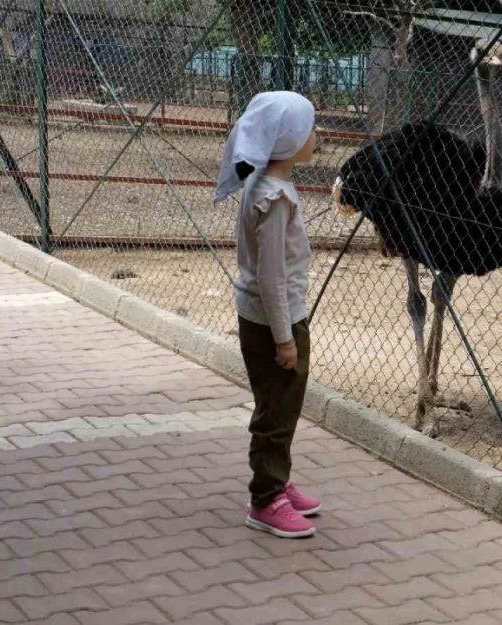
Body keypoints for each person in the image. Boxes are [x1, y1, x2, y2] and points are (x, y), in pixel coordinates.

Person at [213, 91, 322, 538]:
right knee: (276, 409)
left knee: (283, 405)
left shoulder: (264, 183)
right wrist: (284, 339)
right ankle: (266, 499)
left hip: (268, 315)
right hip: (276, 320)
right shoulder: (272, 199)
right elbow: (273, 278)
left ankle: (278, 480)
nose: (319, 135)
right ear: (288, 138)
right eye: (311, 127)